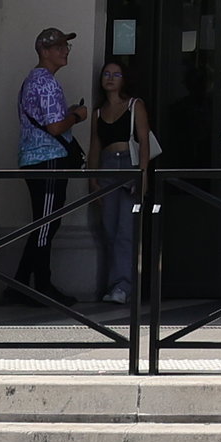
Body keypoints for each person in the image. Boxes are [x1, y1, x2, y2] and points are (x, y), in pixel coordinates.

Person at [83, 52, 159, 308]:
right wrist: (93, 178)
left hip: (128, 164)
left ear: (124, 80)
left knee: (127, 230)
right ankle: (112, 283)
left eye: (116, 75)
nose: (110, 79)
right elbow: (94, 145)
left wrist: (143, 174)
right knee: (109, 229)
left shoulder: (135, 105)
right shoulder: (97, 112)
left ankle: (123, 286)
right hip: (106, 167)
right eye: (106, 74)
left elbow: (144, 141)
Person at [13, 26, 81, 292]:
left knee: (45, 221)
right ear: (44, 51)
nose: (65, 51)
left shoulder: (32, 80)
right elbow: (55, 127)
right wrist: (77, 116)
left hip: (34, 158)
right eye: (59, 47)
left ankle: (20, 282)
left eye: (66, 46)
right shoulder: (47, 83)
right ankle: (41, 285)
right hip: (48, 158)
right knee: (46, 224)